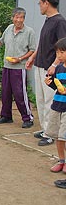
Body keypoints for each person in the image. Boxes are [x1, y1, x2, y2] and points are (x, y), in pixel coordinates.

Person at [25, 0, 66, 146]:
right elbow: (42, 44)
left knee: (50, 101)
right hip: (40, 65)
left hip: (51, 68)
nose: (39, 6)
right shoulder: (48, 20)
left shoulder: (60, 21)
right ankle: (45, 129)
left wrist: (55, 65)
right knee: (41, 100)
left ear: (46, 3)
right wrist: (32, 57)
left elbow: (63, 47)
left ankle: (51, 134)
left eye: (40, 3)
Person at [0, 7, 35, 128]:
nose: (19, 20)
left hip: (19, 67)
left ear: (24, 19)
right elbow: (1, 41)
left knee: (20, 93)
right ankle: (6, 116)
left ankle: (28, 117)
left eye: (21, 17)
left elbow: (32, 50)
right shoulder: (8, 29)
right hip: (7, 66)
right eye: (17, 17)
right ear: (13, 18)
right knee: (5, 92)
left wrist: (20, 59)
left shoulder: (29, 32)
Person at [44, 37, 66, 176]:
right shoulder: (58, 68)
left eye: (62, 52)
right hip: (56, 105)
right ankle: (61, 160)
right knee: (58, 136)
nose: (59, 55)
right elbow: (57, 87)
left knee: (64, 136)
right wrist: (50, 83)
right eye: (57, 52)